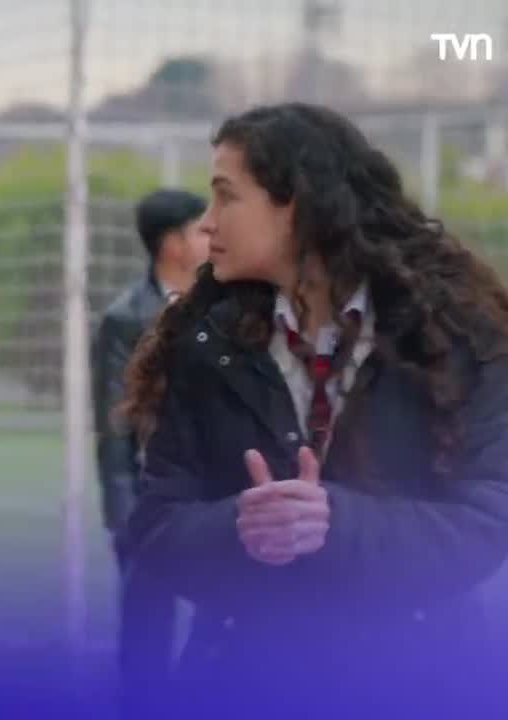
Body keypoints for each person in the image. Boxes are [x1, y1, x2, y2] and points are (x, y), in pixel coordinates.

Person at [121, 102, 508, 717]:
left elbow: (488, 518)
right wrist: (239, 528)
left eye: (226, 196)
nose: (208, 222)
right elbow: (156, 526)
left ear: (296, 205)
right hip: (242, 685)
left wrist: (335, 523)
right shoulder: (204, 342)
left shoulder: (455, 340)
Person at [91, 188, 206, 717]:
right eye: (198, 229)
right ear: (171, 244)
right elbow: (114, 422)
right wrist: (123, 514)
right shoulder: (126, 318)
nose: (211, 234)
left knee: (226, 620)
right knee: (147, 623)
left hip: (216, 491)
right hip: (151, 494)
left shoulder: (230, 303)